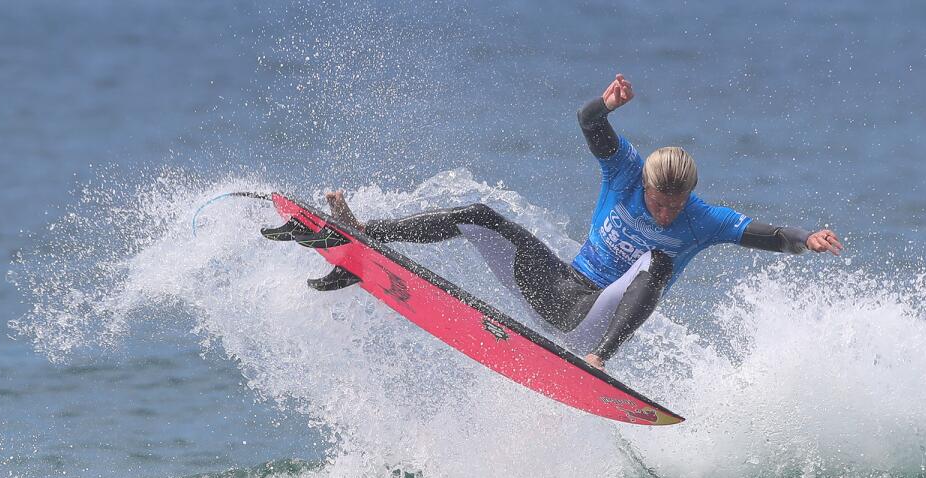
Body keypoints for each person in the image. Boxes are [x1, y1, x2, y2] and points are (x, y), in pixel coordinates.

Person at [325, 73, 842, 370]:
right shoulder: (624, 172)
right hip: (558, 289)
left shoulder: (704, 220)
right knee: (478, 216)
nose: (666, 211)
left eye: (675, 205)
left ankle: (597, 361)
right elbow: (589, 122)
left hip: (600, 318)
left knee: (658, 261)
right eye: (659, 201)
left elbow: (768, 235)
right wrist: (607, 103)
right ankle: (364, 237)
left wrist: (806, 239)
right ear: (646, 183)